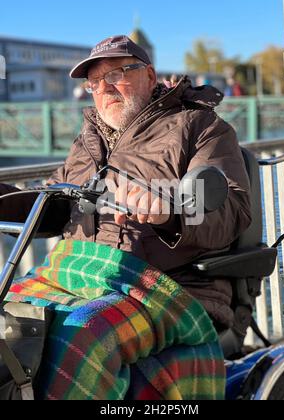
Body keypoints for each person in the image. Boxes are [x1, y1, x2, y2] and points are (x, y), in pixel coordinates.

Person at [0, 35, 251, 400]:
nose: (105, 87)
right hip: (79, 274)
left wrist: (169, 212)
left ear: (149, 75)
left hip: (165, 285)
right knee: (9, 319)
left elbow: (232, 210)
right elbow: (50, 202)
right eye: (95, 82)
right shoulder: (87, 141)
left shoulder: (200, 127)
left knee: (83, 335)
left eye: (117, 73)